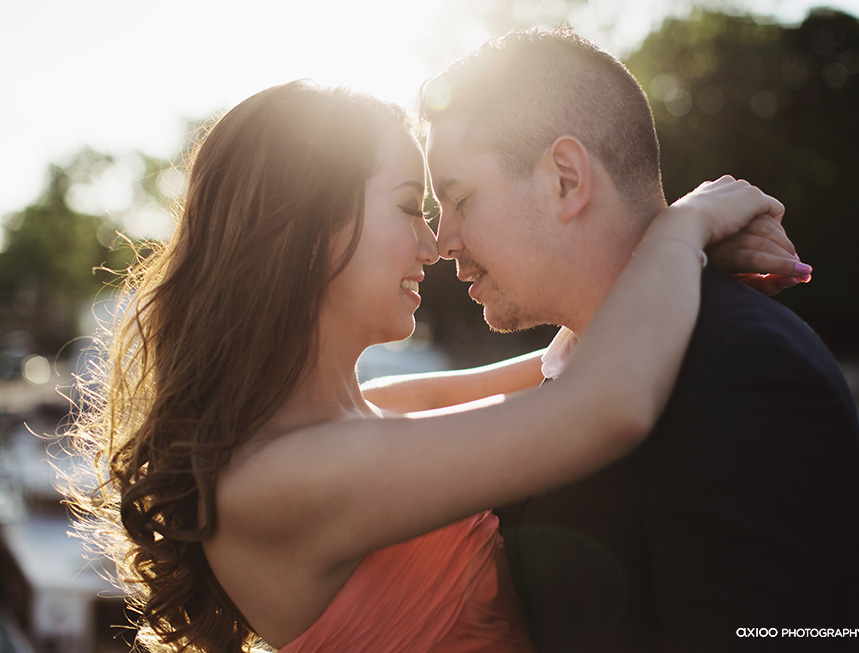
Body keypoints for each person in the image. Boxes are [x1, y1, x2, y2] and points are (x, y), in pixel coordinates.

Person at [65, 79, 799, 653]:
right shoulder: (278, 478)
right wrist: (685, 228)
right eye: (409, 207)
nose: (434, 242)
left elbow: (571, 355)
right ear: (309, 230)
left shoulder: (381, 407)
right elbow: (609, 404)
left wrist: (674, 249)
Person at [404, 29, 859, 652]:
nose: (443, 241)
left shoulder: (747, 374)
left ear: (567, 179)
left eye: (459, 200)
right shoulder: (579, 361)